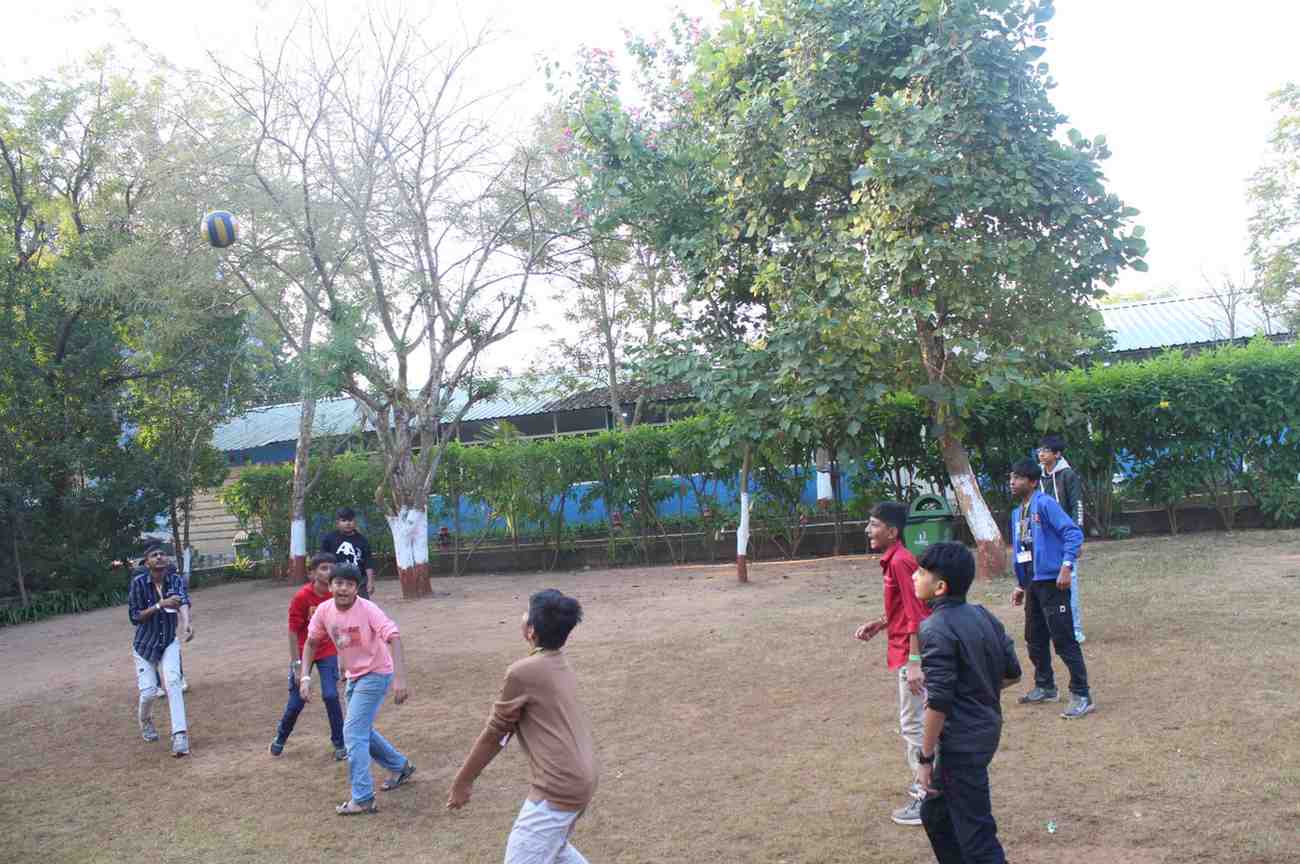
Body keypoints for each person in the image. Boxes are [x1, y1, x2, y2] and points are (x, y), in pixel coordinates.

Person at [447, 589, 597, 864]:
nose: (523, 616)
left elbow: (495, 735)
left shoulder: (523, 672)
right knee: (555, 849)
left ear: (531, 632)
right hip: (580, 780)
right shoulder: (559, 662)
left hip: (557, 787)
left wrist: (463, 781)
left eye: (526, 612)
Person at [912, 542, 1022, 864]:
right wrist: (978, 692)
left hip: (963, 742)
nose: (914, 578)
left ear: (940, 587)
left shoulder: (933, 628)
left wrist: (925, 757)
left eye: (921, 573)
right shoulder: (982, 615)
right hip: (984, 730)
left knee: (977, 837)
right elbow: (1012, 673)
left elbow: (939, 703)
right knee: (935, 813)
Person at [301, 562, 414, 815]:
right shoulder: (323, 611)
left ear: (357, 588)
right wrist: (305, 678)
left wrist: (400, 679)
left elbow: (393, 637)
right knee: (360, 730)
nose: (344, 589)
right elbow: (311, 643)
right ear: (330, 586)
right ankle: (400, 766)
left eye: (350, 585)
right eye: (339, 583)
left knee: (353, 732)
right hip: (354, 676)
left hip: (376, 673)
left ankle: (362, 798)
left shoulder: (368, 609)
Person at [855, 501, 932, 826]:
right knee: (916, 723)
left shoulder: (901, 561)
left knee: (914, 725)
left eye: (874, 525)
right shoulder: (894, 560)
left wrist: (915, 662)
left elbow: (918, 614)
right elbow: (904, 607)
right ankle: (930, 789)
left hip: (910, 653)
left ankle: (924, 797)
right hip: (902, 646)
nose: (868, 530)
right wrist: (883, 622)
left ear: (892, 531)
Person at [1008, 459, 1094, 719]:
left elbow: (1072, 533)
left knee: (1064, 639)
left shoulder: (1045, 504)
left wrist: (1066, 566)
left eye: (1019, 477)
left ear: (1033, 482)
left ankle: (1082, 694)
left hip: (1053, 582)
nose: (1012, 482)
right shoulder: (1017, 513)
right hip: (1034, 583)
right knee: (1034, 638)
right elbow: (1025, 549)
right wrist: (1021, 584)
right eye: (1011, 477)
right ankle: (1045, 686)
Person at [270, 552, 346, 760]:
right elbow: (293, 631)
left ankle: (339, 742)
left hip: (328, 650)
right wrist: (296, 664)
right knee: (296, 702)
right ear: (312, 573)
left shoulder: (338, 595)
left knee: (331, 695)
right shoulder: (302, 597)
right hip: (306, 650)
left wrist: (345, 658)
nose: (329, 571)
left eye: (332, 567)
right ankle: (281, 736)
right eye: (323, 568)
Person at [127, 542, 194, 757]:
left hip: (168, 642)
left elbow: (182, 601)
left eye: (162, 554)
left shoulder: (174, 579)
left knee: (173, 682)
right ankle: (145, 720)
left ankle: (180, 736)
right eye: (154, 555)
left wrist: (186, 623)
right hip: (144, 646)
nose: (159, 557)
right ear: (146, 562)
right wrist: (159, 604)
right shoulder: (139, 583)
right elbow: (135, 617)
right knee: (148, 693)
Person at [1037, 435, 1086, 642]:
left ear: (1057, 454)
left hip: (1065, 535)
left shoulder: (1068, 475)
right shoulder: (1037, 478)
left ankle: (1075, 628)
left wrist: (1077, 535)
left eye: (1046, 450)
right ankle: (1052, 626)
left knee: (1070, 581)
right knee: (1046, 583)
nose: (1041, 454)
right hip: (1044, 537)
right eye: (1039, 450)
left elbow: (1077, 505)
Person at [321, 507, 376, 599]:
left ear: (355, 522)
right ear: (337, 523)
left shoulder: (362, 540)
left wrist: (370, 581)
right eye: (344, 520)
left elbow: (368, 562)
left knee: (362, 607)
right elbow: (323, 560)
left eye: (350, 520)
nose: (348, 523)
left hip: (359, 581)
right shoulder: (329, 539)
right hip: (336, 580)